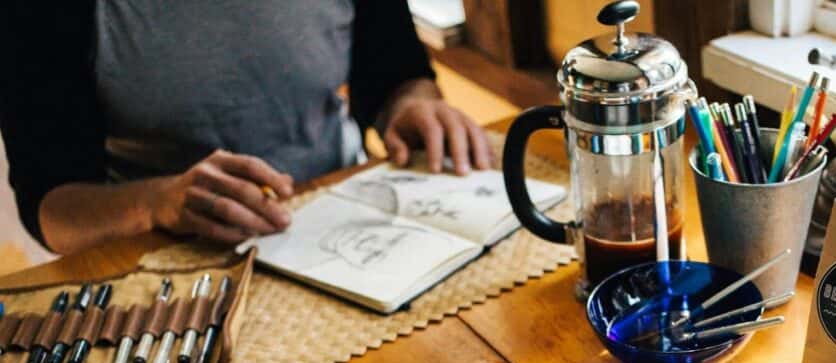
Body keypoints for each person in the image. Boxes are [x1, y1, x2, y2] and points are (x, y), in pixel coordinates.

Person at [0, 1, 492, 255]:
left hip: (336, 215)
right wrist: (159, 203)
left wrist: (410, 108)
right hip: (163, 258)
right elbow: (50, 207)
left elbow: (396, 74)